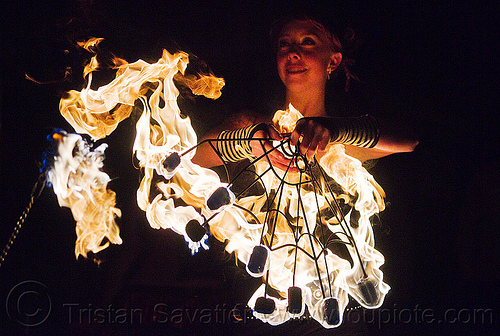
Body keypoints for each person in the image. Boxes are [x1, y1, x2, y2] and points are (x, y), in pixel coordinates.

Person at [192, 15, 418, 170]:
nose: (292, 53)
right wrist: (247, 141)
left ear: (333, 60)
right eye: (284, 44)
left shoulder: (339, 146)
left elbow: (410, 141)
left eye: (307, 42)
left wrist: (334, 130)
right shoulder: (254, 125)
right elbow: (196, 156)